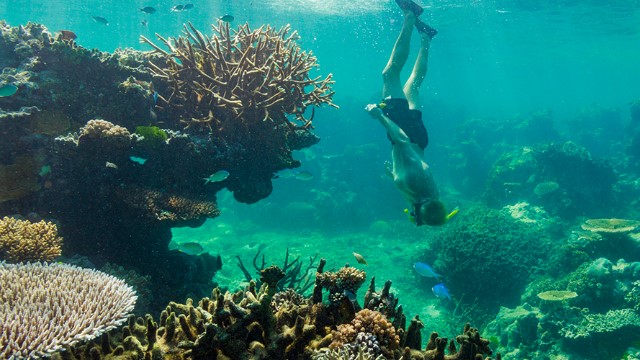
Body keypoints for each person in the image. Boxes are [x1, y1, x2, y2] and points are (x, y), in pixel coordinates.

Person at [366, 0, 452, 226]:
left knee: (413, 86)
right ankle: (409, 15)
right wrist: (379, 116)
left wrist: (393, 173)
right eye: (418, 218)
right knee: (390, 74)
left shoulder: (431, 196)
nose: (414, 218)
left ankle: (426, 37)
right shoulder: (413, 186)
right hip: (405, 134)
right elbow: (402, 141)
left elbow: (412, 171)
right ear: (421, 209)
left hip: (420, 141)